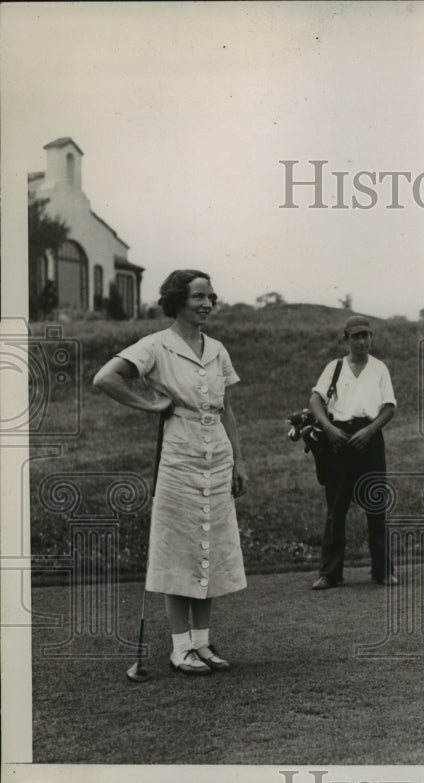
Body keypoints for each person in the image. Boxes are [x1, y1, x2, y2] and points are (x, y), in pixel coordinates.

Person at [93, 269, 248, 675]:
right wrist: (149, 404)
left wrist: (240, 461)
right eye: (199, 297)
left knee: (208, 547)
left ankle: (202, 643)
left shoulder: (217, 348)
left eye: (212, 297)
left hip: (217, 457)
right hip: (179, 457)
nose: (208, 304)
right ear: (178, 300)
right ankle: (180, 649)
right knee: (179, 549)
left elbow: (226, 407)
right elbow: (105, 378)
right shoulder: (155, 346)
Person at [309, 315, 397, 590]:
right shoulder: (334, 367)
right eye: (356, 336)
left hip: (368, 438)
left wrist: (369, 431)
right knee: (336, 508)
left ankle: (382, 571)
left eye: (366, 335)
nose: (362, 341)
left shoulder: (379, 368)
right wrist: (330, 429)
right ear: (346, 338)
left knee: (376, 506)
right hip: (338, 439)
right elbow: (316, 399)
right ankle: (329, 573)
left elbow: (389, 406)